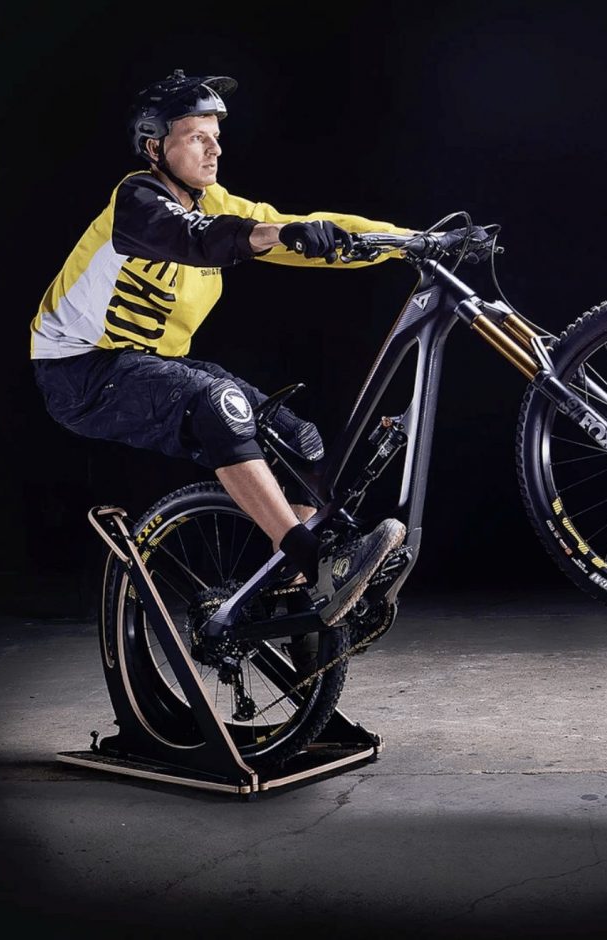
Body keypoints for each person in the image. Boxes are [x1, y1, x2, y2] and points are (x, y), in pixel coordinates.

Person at [30, 69, 410, 627]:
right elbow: (198, 239)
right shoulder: (137, 200)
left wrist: (412, 242)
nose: (215, 149)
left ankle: (296, 601)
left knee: (300, 440)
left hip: (147, 365)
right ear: (154, 148)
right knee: (219, 405)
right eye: (196, 137)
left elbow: (296, 228)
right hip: (79, 371)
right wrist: (272, 236)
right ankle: (313, 560)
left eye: (216, 137)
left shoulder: (215, 203)